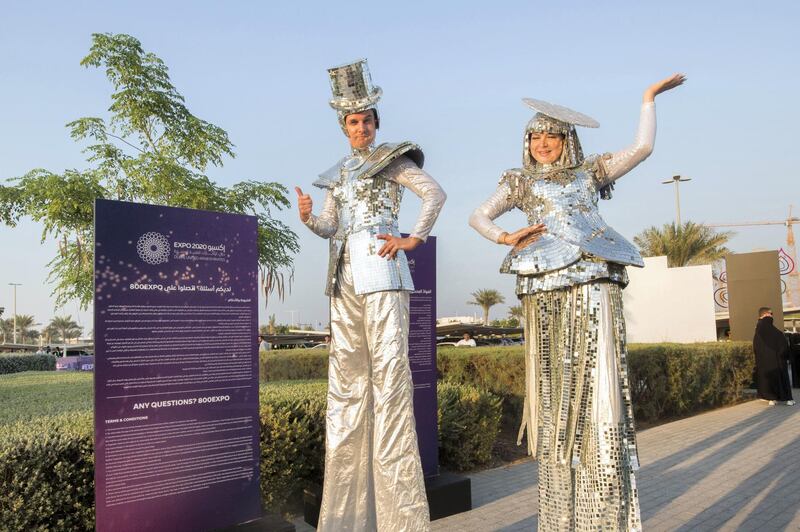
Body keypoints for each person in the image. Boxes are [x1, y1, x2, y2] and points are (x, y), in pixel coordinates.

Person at [469, 74, 684, 531]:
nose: (543, 142)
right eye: (536, 135)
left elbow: (642, 149)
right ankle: (561, 515)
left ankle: (602, 511)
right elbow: (478, 215)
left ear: (568, 141)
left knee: (599, 386)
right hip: (543, 285)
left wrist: (647, 99)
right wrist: (506, 236)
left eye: (552, 135)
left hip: (593, 279)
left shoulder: (591, 173)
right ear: (526, 142)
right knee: (553, 394)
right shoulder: (519, 181)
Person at [297, 59, 446, 532]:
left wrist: (413, 239)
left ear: (377, 122)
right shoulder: (337, 173)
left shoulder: (392, 159)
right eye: (352, 122)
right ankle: (348, 518)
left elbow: (435, 194)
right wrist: (306, 217)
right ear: (344, 128)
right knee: (347, 388)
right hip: (343, 279)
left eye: (366, 121)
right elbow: (329, 227)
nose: (360, 128)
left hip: (382, 272)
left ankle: (399, 519)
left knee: (389, 383)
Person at [753, 307, 794, 405]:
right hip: (778, 361)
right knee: (781, 379)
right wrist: (785, 355)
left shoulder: (758, 330)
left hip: (764, 363)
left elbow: (756, 348)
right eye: (771, 313)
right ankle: (787, 399)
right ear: (765, 315)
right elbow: (782, 345)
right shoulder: (773, 331)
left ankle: (771, 398)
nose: (772, 316)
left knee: (768, 379)